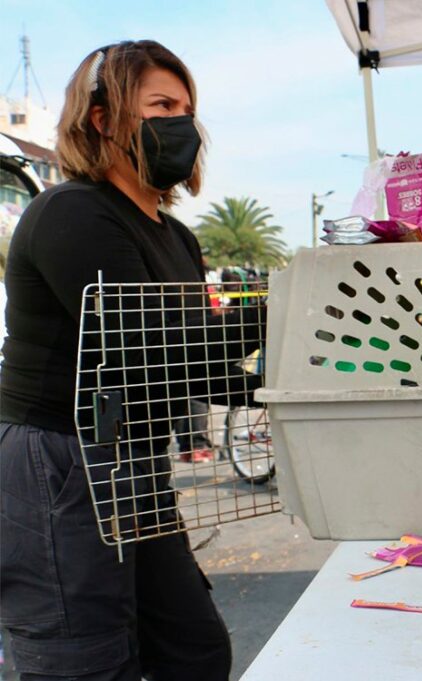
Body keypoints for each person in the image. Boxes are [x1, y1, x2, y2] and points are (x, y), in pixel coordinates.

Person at [0, 41, 263, 679]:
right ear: (103, 119)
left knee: (193, 647)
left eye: (187, 108)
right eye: (161, 106)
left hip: (132, 459)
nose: (181, 123)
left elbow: (195, 365)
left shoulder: (176, 236)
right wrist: (280, 312)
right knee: (83, 661)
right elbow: (152, 345)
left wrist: (275, 391)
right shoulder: (72, 213)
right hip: (59, 459)